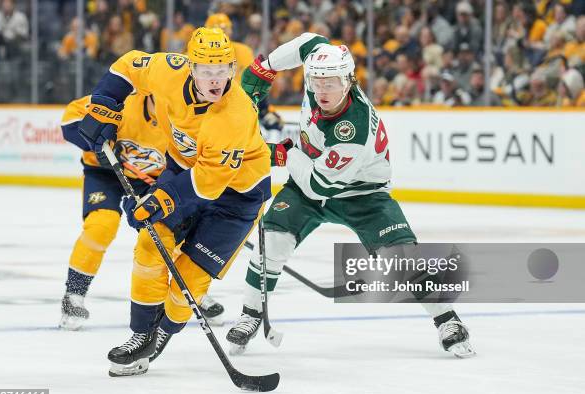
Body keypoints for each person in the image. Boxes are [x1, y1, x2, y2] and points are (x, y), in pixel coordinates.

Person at [226, 33, 475, 358]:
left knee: (402, 257)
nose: (321, 90)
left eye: (330, 83)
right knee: (273, 240)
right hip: (311, 181)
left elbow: (320, 186)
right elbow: (309, 41)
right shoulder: (320, 69)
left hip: (363, 194)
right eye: (316, 81)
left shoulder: (353, 129)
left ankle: (446, 319)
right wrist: (266, 68)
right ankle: (250, 314)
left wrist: (282, 154)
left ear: (348, 81)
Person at [78, 27, 271, 376]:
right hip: (183, 171)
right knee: (150, 246)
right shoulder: (168, 70)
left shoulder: (235, 113)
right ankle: (141, 336)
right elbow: (127, 66)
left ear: (232, 69)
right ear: (190, 67)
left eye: (222, 70)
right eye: (206, 70)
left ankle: (162, 334)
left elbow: (209, 183)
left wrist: (157, 201)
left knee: (190, 279)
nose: (215, 80)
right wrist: (105, 106)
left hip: (237, 196)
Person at [59, 92, 167, 330]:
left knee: (165, 234)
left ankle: (187, 293)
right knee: (102, 225)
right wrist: (98, 146)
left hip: (147, 181)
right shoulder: (123, 102)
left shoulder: (185, 117)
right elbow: (69, 123)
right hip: (103, 172)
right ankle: (73, 295)